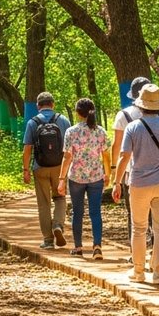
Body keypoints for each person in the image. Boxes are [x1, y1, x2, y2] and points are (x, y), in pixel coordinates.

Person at [112, 84, 159, 285]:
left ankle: (139, 271)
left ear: (140, 105)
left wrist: (117, 182)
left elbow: (125, 157)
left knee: (139, 227)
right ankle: (158, 273)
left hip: (139, 182)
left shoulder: (133, 127)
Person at [58, 98, 108, 259]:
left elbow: (67, 157)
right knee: (95, 212)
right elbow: (106, 155)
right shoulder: (100, 131)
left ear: (78, 113)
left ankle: (78, 247)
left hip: (76, 177)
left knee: (77, 212)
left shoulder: (71, 132)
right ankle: (97, 247)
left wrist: (61, 178)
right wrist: (108, 173)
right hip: (96, 176)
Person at [22, 91, 72, 249]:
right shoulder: (63, 120)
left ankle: (48, 240)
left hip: (40, 167)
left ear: (38, 106)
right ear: (53, 104)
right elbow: (71, 147)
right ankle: (58, 225)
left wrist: (25, 170)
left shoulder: (32, 122)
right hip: (60, 167)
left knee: (43, 204)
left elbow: (27, 149)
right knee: (60, 198)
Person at [111, 76, 156, 246]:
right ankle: (155, 248)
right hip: (158, 171)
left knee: (134, 214)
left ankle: (136, 252)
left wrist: (115, 171)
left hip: (133, 172)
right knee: (156, 214)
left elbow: (117, 146)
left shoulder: (124, 115)